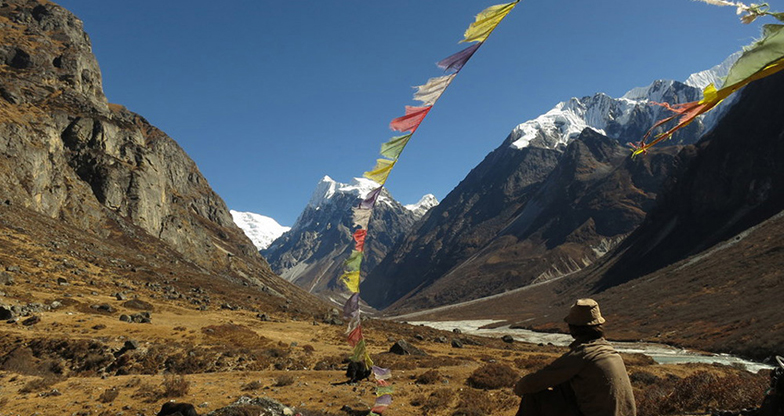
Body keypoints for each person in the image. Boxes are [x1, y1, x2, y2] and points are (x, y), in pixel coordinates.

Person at [513, 298, 636, 416]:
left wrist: (518, 388)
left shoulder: (582, 354)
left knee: (534, 396)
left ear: (572, 327)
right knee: (564, 386)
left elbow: (534, 382)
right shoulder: (608, 350)